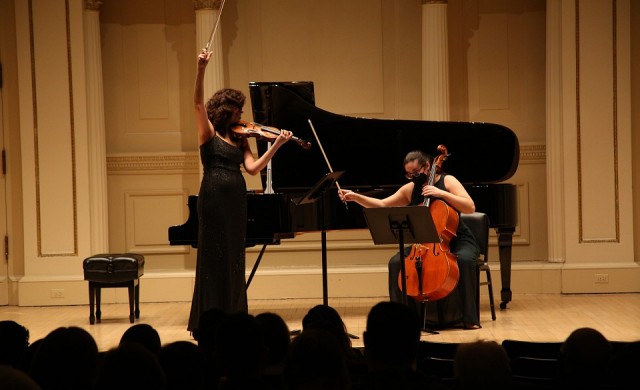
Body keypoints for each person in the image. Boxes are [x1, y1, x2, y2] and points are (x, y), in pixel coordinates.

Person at [188, 49, 292, 334]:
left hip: (235, 202)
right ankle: (208, 323)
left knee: (234, 259)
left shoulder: (241, 137)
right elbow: (197, 103)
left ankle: (234, 319)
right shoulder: (208, 133)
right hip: (212, 200)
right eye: (238, 110)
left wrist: (276, 145)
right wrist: (201, 68)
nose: (242, 115)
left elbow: (254, 168)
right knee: (212, 259)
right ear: (226, 110)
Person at [338, 149, 481, 329]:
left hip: (457, 238)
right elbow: (382, 205)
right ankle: (401, 319)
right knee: (396, 262)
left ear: (428, 166)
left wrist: (442, 193)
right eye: (409, 174)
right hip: (425, 242)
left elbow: (470, 207)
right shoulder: (412, 188)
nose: (413, 177)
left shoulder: (447, 180)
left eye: (416, 172)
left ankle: (469, 318)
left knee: (466, 261)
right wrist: (355, 197)